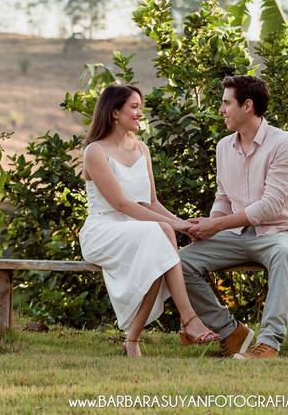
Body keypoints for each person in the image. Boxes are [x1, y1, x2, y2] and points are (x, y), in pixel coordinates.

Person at [79, 84, 219, 357]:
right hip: (104, 229)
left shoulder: (141, 149)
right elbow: (121, 204)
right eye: (134, 107)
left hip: (140, 229)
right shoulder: (95, 152)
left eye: (140, 107)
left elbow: (151, 202)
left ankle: (134, 340)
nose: (140, 113)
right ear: (114, 112)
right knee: (158, 235)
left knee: (156, 243)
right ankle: (188, 320)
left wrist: (184, 224)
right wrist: (174, 226)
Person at [181, 75, 288, 360]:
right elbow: (223, 197)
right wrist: (208, 227)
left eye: (227, 103)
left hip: (282, 234)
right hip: (237, 236)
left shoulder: (283, 144)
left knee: (283, 254)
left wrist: (217, 225)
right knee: (179, 263)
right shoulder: (223, 147)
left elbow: (270, 207)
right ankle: (231, 332)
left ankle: (268, 344)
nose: (221, 109)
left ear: (247, 106)